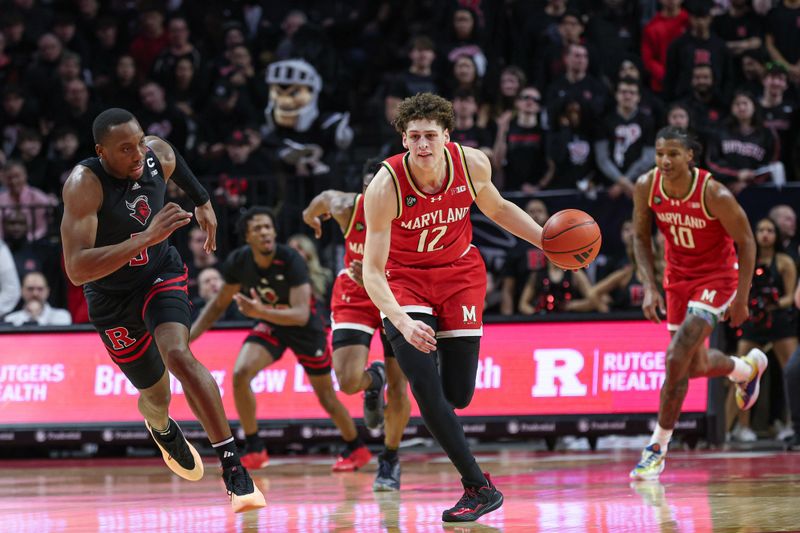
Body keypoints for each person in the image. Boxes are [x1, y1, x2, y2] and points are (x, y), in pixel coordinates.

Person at [60, 108, 264, 512]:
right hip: (110, 297)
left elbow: (172, 158)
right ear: (101, 152)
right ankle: (160, 426)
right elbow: (77, 269)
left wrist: (203, 200)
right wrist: (147, 236)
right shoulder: (85, 185)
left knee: (178, 355)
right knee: (155, 395)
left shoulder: (152, 154)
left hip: (159, 274)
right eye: (125, 149)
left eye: (138, 142)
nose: (138, 154)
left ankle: (233, 467)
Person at [362, 93, 546, 522]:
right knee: (426, 388)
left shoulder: (472, 163)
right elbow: (372, 270)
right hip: (405, 282)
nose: (423, 145)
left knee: (456, 396)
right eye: (415, 137)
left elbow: (498, 208)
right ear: (403, 140)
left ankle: (390, 380)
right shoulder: (385, 185)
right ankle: (479, 487)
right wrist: (402, 323)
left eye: (430, 136)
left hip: (460, 275)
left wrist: (545, 241)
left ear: (447, 135)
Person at [189, 206, 372, 473]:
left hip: (306, 329)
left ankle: (357, 447)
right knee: (240, 374)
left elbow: (299, 315)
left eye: (268, 227)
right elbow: (217, 305)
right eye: (257, 228)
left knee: (327, 396)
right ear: (248, 237)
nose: (265, 232)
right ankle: (255, 447)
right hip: (272, 324)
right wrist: (188, 338)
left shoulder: (291, 259)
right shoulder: (239, 262)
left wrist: (259, 311)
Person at [630, 126, 766, 480]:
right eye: (660, 154)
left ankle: (657, 447)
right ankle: (745, 369)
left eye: (673, 154)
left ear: (690, 156)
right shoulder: (647, 186)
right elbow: (641, 238)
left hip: (717, 279)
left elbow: (748, 242)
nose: (665, 161)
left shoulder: (714, 193)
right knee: (693, 365)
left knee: (676, 356)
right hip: (677, 279)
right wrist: (648, 285)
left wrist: (742, 297)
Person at [302, 160, 411, 491]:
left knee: (400, 384)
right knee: (348, 382)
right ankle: (370, 380)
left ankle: (390, 459)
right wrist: (312, 220)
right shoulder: (348, 206)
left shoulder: (411, 214)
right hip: (355, 296)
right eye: (369, 187)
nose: (376, 193)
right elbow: (318, 201)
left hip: (398, 296)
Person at [728, 217, 797, 442]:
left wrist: (772, 304)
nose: (765, 234)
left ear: (776, 235)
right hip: (752, 321)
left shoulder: (784, 262)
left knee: (792, 373)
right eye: (760, 229)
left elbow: (790, 297)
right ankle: (739, 427)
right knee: (741, 373)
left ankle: (791, 425)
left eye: (770, 230)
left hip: (778, 321)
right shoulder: (747, 260)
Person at [3, 271, 71, 326]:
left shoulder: (62, 316)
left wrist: (35, 317)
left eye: (40, 289)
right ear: (22, 291)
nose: (35, 293)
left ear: (47, 291)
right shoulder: (10, 320)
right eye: (30, 289)